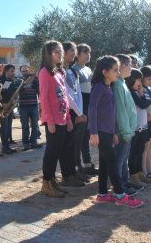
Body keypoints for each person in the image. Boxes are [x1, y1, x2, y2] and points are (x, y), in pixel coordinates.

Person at [90, 56, 143, 208]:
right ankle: (120, 196)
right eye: (115, 70)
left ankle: (102, 195)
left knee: (105, 163)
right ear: (105, 72)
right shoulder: (99, 87)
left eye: (119, 69)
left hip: (107, 131)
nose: (118, 73)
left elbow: (111, 113)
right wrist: (93, 133)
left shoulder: (109, 87)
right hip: (99, 131)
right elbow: (92, 110)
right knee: (112, 161)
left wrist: (113, 132)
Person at [39, 41, 73, 198]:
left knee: (58, 149)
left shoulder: (60, 72)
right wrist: (49, 120)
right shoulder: (45, 72)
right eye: (56, 52)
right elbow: (44, 98)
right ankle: (46, 183)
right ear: (48, 54)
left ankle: (52, 181)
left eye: (61, 51)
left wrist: (69, 118)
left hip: (62, 118)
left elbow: (65, 97)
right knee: (51, 151)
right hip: (53, 119)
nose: (60, 54)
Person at [113, 54, 142, 196]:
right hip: (123, 131)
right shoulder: (117, 85)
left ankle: (125, 182)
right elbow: (120, 110)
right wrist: (125, 131)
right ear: (123, 67)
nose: (132, 68)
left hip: (128, 131)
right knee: (119, 160)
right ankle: (118, 186)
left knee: (124, 159)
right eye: (130, 65)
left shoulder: (122, 83)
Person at [61, 42, 89, 185]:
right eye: (71, 50)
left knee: (74, 144)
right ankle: (66, 175)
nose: (74, 53)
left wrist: (81, 112)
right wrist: (78, 112)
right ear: (63, 52)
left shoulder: (73, 71)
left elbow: (78, 94)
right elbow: (66, 95)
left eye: (74, 51)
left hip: (78, 111)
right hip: (69, 112)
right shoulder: (60, 72)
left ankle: (73, 172)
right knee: (67, 145)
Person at [72, 44, 99, 176]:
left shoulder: (88, 70)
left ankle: (87, 165)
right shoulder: (73, 69)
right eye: (84, 52)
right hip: (80, 108)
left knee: (86, 137)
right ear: (77, 55)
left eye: (89, 52)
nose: (88, 55)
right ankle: (77, 168)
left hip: (89, 107)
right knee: (78, 138)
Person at [125, 69, 151, 186]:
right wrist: (142, 95)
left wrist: (141, 94)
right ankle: (133, 176)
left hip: (143, 127)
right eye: (138, 80)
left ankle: (140, 173)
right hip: (135, 129)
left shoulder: (137, 92)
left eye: (141, 80)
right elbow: (144, 104)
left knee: (140, 151)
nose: (140, 83)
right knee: (134, 153)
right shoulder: (131, 92)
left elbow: (148, 103)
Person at [18, 65, 43, 151]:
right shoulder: (18, 81)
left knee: (35, 125)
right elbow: (16, 93)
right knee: (25, 126)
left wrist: (38, 83)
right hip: (23, 106)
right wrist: (24, 87)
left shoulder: (34, 79)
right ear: (20, 72)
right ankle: (25, 143)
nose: (25, 73)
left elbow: (38, 91)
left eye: (26, 71)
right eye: (23, 71)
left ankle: (34, 142)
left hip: (33, 105)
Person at [0, 64, 18, 154]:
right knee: (4, 127)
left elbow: (13, 91)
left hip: (9, 106)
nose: (13, 73)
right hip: (2, 107)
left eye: (13, 71)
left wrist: (15, 95)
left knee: (8, 127)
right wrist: (2, 103)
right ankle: (4, 146)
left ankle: (7, 145)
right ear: (6, 71)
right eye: (11, 71)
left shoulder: (12, 81)